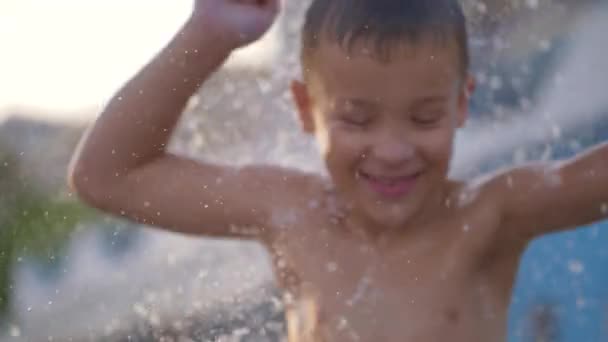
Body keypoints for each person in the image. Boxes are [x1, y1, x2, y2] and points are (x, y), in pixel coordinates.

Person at [67, 0, 608, 341]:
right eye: (357, 120)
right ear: (306, 110)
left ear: (461, 105)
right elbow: (108, 177)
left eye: (424, 118)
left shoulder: (489, 214)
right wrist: (208, 35)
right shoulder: (290, 212)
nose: (393, 150)